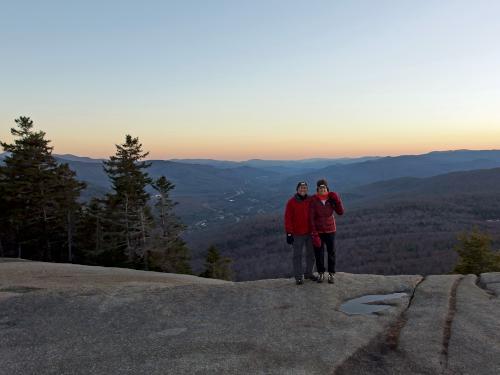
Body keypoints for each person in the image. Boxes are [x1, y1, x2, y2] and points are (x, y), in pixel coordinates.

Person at [309, 179, 344, 284]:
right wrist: (314, 233)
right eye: (320, 188)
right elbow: (311, 218)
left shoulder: (332, 199)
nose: (322, 189)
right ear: (317, 190)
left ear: (327, 189)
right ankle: (320, 273)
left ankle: (331, 274)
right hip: (318, 231)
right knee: (318, 253)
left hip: (330, 230)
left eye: (324, 188)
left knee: (331, 252)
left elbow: (340, 212)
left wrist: (337, 199)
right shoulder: (313, 200)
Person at [284, 181, 318, 285]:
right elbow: (288, 218)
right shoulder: (291, 202)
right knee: (297, 256)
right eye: (301, 188)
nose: (303, 189)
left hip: (310, 232)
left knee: (311, 255)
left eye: (305, 188)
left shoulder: (311, 200)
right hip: (297, 234)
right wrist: (289, 233)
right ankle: (298, 277)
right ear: (297, 189)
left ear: (307, 189)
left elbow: (320, 206)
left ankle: (309, 273)